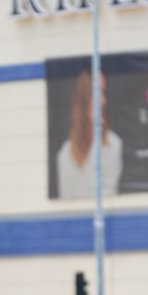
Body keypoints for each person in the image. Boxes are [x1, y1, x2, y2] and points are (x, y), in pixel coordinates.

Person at [55, 70, 123, 199]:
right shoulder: (64, 154)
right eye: (96, 93)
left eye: (104, 93)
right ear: (83, 100)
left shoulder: (114, 145)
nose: (103, 101)